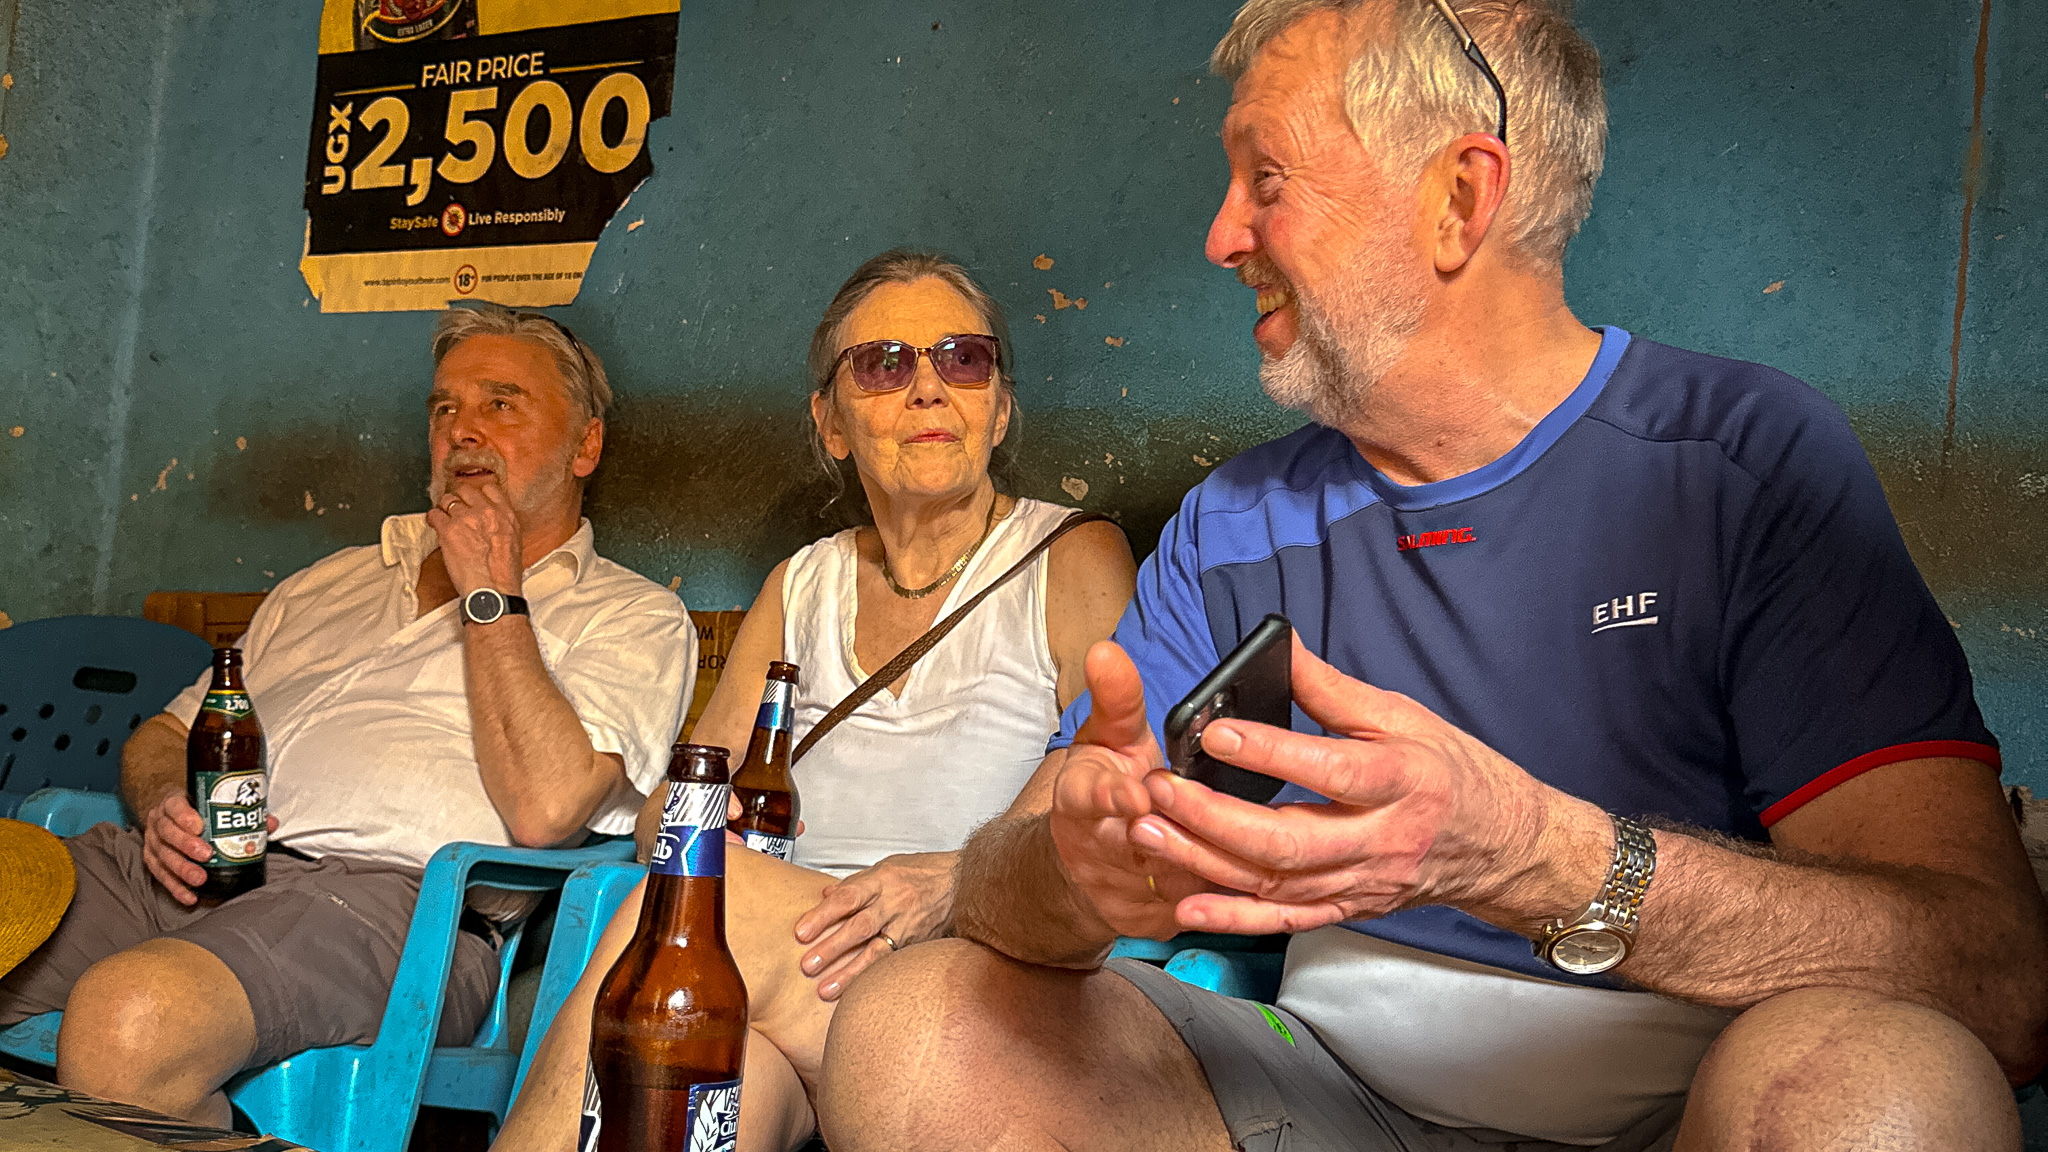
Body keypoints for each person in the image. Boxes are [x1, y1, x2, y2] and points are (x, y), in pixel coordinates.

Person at [819, 3, 2048, 1151]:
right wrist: (1071, 872)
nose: (1220, 236)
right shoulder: (1234, 522)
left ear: (1458, 198)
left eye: (1266, 179)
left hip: (1686, 1101)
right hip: (1321, 1087)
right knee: (919, 1029)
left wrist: (1533, 854)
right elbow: (1001, 885)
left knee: (1881, 1090)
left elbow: (1993, 980)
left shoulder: (1742, 466)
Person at [492, 250, 1136, 1152]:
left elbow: (1107, 775)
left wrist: (955, 880)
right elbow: (676, 809)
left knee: (681, 918)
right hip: (796, 974)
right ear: (830, 423)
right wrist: (719, 832)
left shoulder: (1071, 557)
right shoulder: (802, 585)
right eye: (883, 364)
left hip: (974, 971)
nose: (927, 387)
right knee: (695, 1094)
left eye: (963, 359)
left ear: (998, 408)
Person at [0, 306, 697, 1126]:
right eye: (444, 408)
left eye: (501, 403)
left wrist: (491, 590)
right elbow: (167, 732)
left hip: (388, 908)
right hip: (191, 866)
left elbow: (547, 813)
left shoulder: (631, 616)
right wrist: (162, 803)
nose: (462, 430)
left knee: (134, 1021)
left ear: (585, 446)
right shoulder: (331, 580)